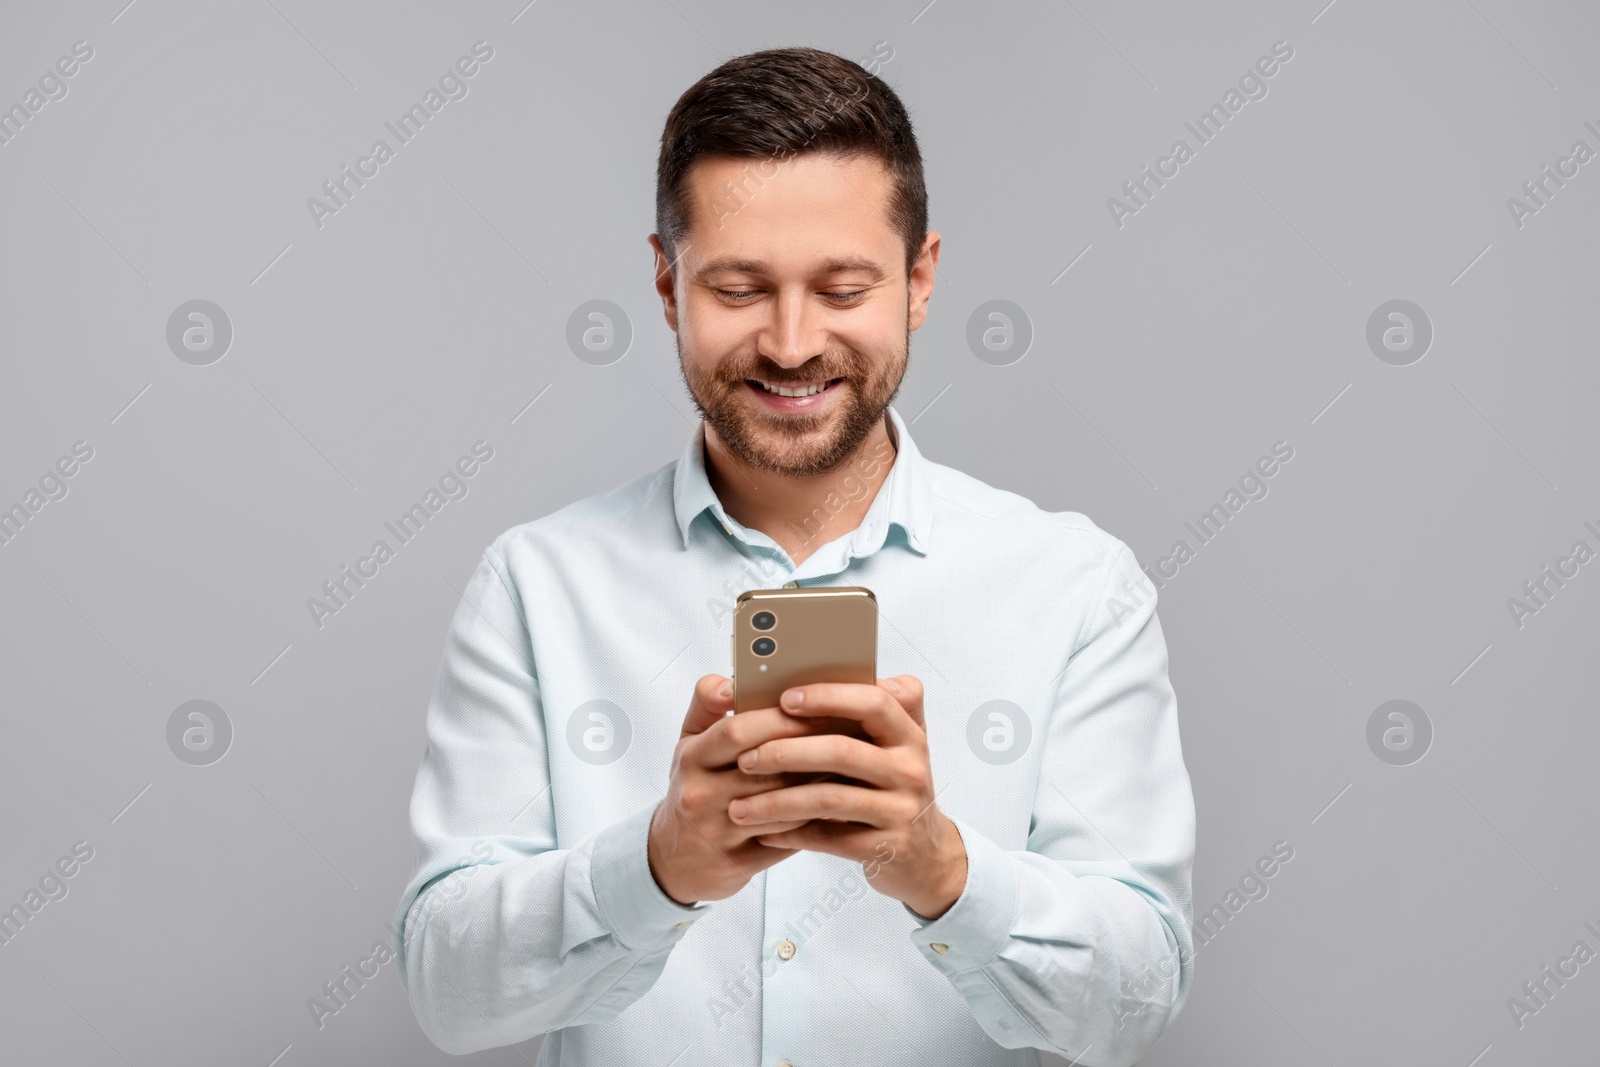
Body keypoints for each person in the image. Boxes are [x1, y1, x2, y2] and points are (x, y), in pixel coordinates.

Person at [393, 45, 1195, 1067]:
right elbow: (448, 995)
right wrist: (652, 866)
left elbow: (1135, 1004)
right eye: (738, 287)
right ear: (664, 281)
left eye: (841, 286)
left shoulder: (1077, 589)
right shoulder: (537, 586)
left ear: (919, 279)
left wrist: (940, 866)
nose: (788, 341)